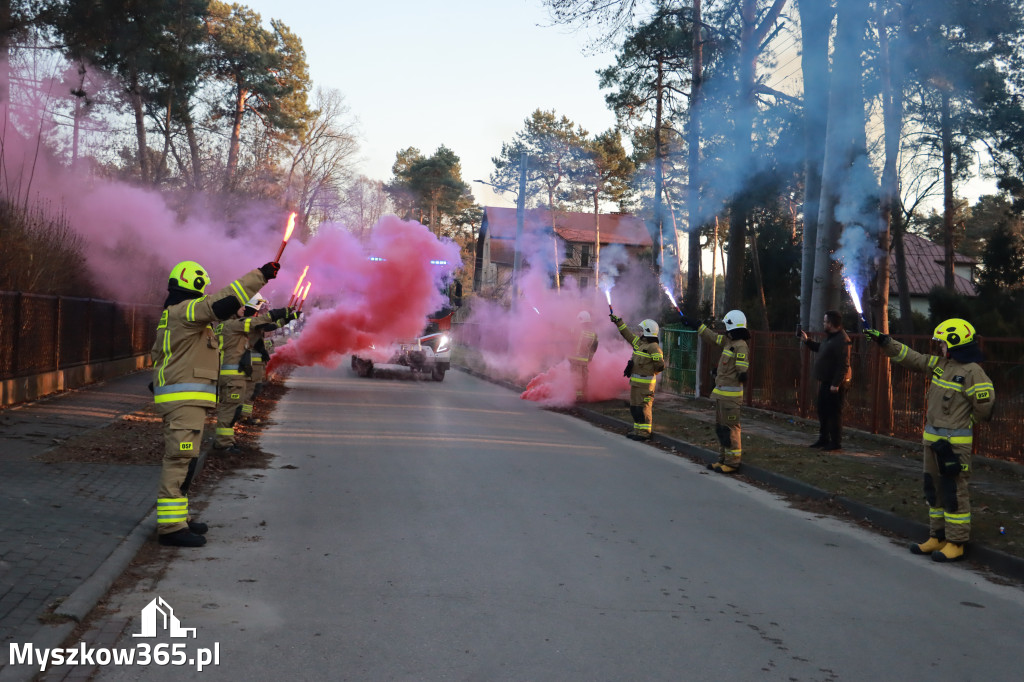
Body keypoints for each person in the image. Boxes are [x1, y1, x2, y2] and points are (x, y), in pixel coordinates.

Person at [151, 259, 278, 547]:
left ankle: (178, 518)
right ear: (193, 284)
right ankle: (171, 527)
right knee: (180, 459)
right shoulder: (185, 310)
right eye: (202, 287)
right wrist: (260, 276)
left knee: (187, 460)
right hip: (183, 402)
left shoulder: (177, 315)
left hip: (187, 401)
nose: (205, 292)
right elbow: (221, 301)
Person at [865, 318, 995, 562]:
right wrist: (885, 341)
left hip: (954, 447)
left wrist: (963, 423)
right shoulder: (941, 365)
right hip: (933, 443)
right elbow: (912, 357)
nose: (939, 347)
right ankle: (938, 536)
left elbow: (984, 407)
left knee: (955, 491)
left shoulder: (973, 372)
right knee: (933, 490)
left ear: (955, 343)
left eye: (943, 343)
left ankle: (956, 542)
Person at [681, 310, 750, 473]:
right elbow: (713, 338)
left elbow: (742, 369)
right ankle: (723, 459)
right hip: (722, 395)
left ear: (734, 326)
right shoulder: (728, 341)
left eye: (727, 325)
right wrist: (697, 326)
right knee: (721, 429)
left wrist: (741, 373)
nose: (725, 329)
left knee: (730, 428)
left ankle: (733, 462)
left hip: (731, 399)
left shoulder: (741, 346)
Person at [798, 310, 852, 450]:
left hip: (836, 384)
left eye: (825, 321)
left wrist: (836, 384)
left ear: (831, 323)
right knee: (822, 410)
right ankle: (823, 439)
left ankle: (835, 443)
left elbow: (843, 365)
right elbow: (821, 348)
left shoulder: (842, 340)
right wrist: (807, 341)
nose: (823, 324)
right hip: (826, 381)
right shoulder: (830, 337)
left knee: (834, 413)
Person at [609, 313, 665, 440]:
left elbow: (660, 366)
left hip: (645, 386)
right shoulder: (640, 344)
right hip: (635, 383)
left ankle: (645, 432)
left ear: (648, 332)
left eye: (642, 331)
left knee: (644, 408)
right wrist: (619, 323)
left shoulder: (654, 348)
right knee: (635, 408)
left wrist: (650, 373)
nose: (639, 333)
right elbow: (628, 335)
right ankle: (637, 430)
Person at [569, 311, 599, 402]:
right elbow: (594, 347)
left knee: (576, 379)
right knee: (584, 378)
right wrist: (590, 358)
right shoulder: (593, 333)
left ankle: (578, 398)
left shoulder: (575, 330)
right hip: (584, 360)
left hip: (575, 360)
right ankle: (585, 396)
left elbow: (567, 339)